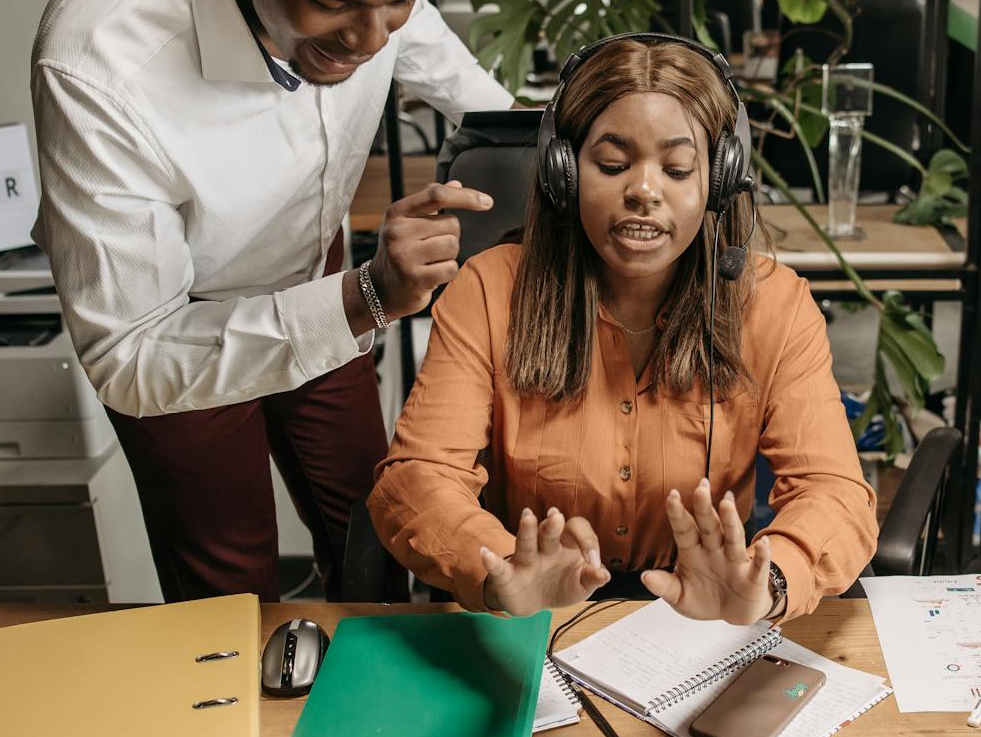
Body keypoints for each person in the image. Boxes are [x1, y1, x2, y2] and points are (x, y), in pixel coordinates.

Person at [31, 0, 510, 602]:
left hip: (318, 271)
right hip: (175, 319)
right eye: (331, 5)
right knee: (228, 594)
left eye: (398, 1)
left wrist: (527, 141)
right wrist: (363, 298)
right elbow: (130, 356)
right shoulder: (98, 67)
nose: (368, 43)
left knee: (378, 537)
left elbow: (407, 30)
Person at [367, 34, 877, 622]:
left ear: (716, 180)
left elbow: (834, 491)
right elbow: (418, 477)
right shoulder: (488, 291)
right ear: (564, 171)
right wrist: (504, 572)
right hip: (536, 618)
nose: (642, 190)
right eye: (611, 164)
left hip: (703, 618)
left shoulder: (774, 305)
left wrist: (771, 582)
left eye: (679, 168)